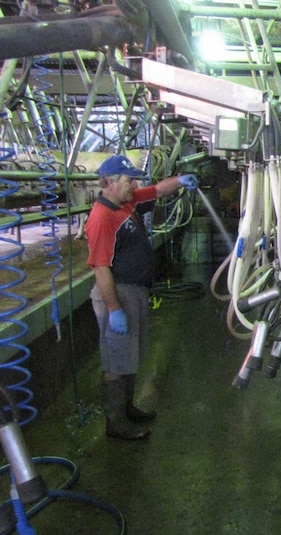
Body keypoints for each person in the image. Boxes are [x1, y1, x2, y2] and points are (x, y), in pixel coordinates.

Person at [85, 155, 198, 440]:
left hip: (134, 291)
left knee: (130, 356)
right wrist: (114, 309)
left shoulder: (127, 203)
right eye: (128, 179)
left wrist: (181, 180)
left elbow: (158, 190)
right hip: (118, 294)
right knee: (116, 361)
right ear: (110, 182)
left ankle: (128, 408)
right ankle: (116, 423)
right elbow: (100, 267)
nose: (134, 184)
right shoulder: (101, 218)